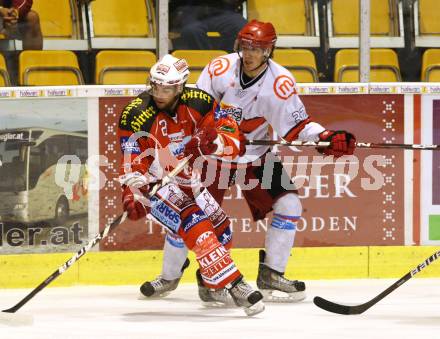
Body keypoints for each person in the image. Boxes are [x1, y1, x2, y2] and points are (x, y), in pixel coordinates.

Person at [142, 20, 356, 303]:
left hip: (256, 157)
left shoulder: (280, 84)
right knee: (188, 213)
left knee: (289, 204)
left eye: (258, 48)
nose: (250, 53)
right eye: (246, 46)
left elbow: (297, 126)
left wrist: (327, 137)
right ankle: (173, 276)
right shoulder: (220, 69)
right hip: (215, 155)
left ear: (269, 50)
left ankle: (271, 274)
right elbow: (196, 109)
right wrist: (205, 138)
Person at [117, 53, 264, 316]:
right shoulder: (135, 115)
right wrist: (134, 192)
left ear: (181, 86)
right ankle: (234, 283)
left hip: (189, 181)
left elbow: (232, 137)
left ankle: (210, 286)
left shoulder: (201, 102)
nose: (160, 93)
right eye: (156, 86)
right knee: (195, 223)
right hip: (157, 186)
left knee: (222, 228)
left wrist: (214, 143)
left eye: (167, 88)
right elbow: (132, 162)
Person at [170, 0, 247, 52]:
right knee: (191, 30)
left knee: (241, 27)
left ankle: (229, 64)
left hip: (224, 10)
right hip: (192, 9)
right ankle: (205, 65)